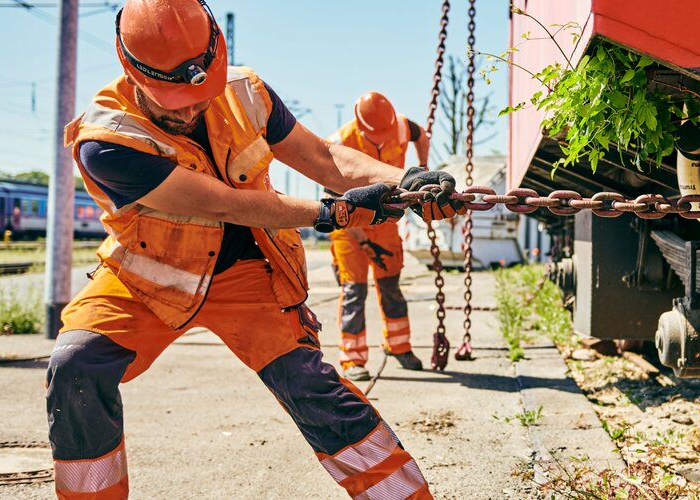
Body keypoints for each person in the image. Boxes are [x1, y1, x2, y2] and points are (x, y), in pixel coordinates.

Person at [46, 1, 463, 498]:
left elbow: (324, 158)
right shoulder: (107, 140)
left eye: (198, 94)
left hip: (248, 272)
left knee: (312, 389)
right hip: (147, 277)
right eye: (171, 100)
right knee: (76, 366)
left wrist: (408, 181)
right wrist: (334, 214)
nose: (188, 108)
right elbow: (224, 204)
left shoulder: (245, 92)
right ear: (130, 69)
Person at [326, 92, 430, 380]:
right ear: (361, 127)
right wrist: (362, 240)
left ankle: (399, 346)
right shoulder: (339, 142)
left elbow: (421, 135)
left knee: (391, 286)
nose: (383, 140)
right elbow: (334, 203)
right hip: (349, 225)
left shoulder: (401, 126)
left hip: (385, 220)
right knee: (354, 292)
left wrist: (423, 165)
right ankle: (353, 359)